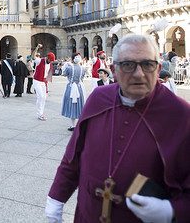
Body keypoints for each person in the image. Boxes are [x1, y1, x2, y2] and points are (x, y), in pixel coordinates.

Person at [45, 34, 190, 223]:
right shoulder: (98, 98)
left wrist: (171, 211)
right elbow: (73, 156)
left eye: (148, 65)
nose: (139, 74)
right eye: (129, 65)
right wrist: (56, 200)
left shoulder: (181, 115)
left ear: (159, 68)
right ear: (113, 70)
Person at [60, 53, 86, 131]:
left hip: (71, 87)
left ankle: (72, 125)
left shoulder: (69, 68)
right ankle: (80, 123)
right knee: (80, 104)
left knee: (72, 104)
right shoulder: (83, 68)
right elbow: (82, 78)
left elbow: (64, 74)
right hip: (79, 87)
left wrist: (65, 66)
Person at [32, 44, 54, 121]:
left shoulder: (49, 63)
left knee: (44, 97)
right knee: (40, 96)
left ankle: (42, 112)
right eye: (50, 60)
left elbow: (48, 73)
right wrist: (37, 48)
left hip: (43, 81)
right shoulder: (40, 60)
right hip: (37, 80)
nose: (50, 62)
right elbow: (33, 57)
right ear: (47, 58)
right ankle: (39, 114)